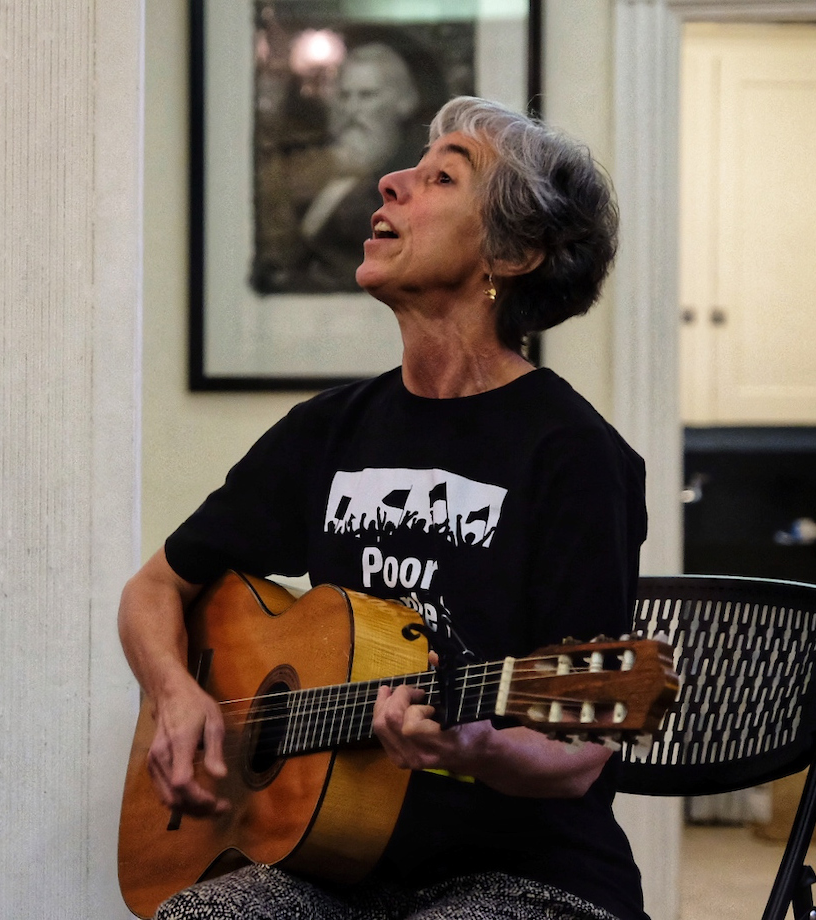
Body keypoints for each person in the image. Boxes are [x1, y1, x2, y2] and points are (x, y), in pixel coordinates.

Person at [118, 96, 649, 920]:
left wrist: (472, 745)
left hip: (529, 874)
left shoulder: (574, 454)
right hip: (332, 862)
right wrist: (178, 693)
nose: (391, 181)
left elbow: (578, 753)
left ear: (513, 253)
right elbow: (154, 589)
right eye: (411, 167)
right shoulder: (329, 430)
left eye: (442, 177)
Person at [254, 38, 440, 293]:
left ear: (405, 102)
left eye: (367, 95)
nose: (352, 110)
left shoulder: (420, 185)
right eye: (344, 96)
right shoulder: (310, 176)